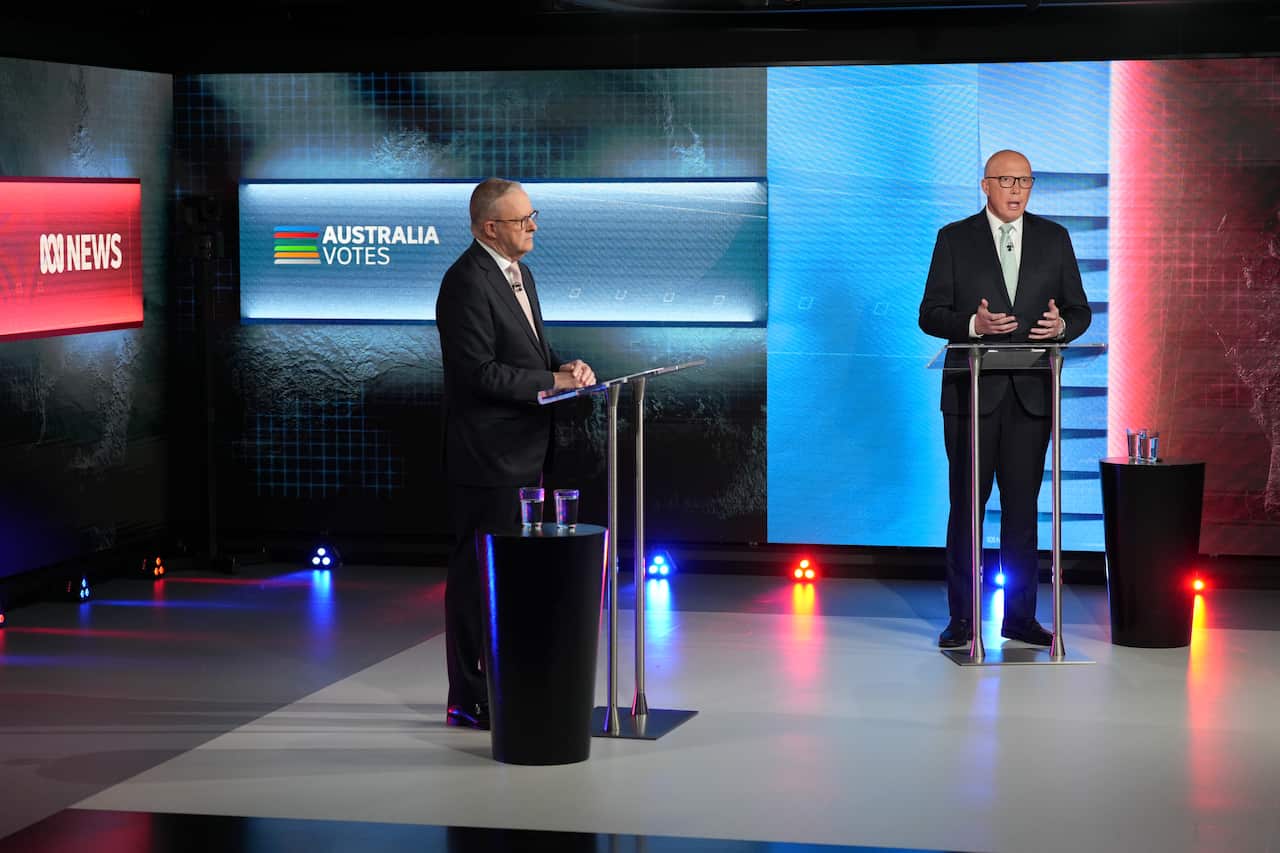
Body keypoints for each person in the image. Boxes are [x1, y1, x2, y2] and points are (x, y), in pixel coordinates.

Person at [435, 178, 596, 728]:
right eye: (522, 219)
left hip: (528, 451)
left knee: (514, 579)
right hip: (488, 459)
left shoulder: (520, 272)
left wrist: (566, 368)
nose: (533, 226)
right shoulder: (464, 283)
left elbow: (530, 353)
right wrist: (547, 377)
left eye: (533, 216)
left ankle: (508, 683)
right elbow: (477, 373)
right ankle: (468, 694)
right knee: (477, 581)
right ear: (489, 228)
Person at [918, 149, 1092, 650]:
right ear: (985, 185)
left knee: (1022, 510)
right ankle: (962, 620)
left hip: (1031, 396)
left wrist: (1061, 327)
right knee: (966, 508)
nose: (1017, 189)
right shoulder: (954, 238)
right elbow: (929, 313)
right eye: (1007, 180)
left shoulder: (1054, 239)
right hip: (971, 397)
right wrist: (973, 326)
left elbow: (1079, 311)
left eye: (1025, 181)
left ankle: (1020, 618)